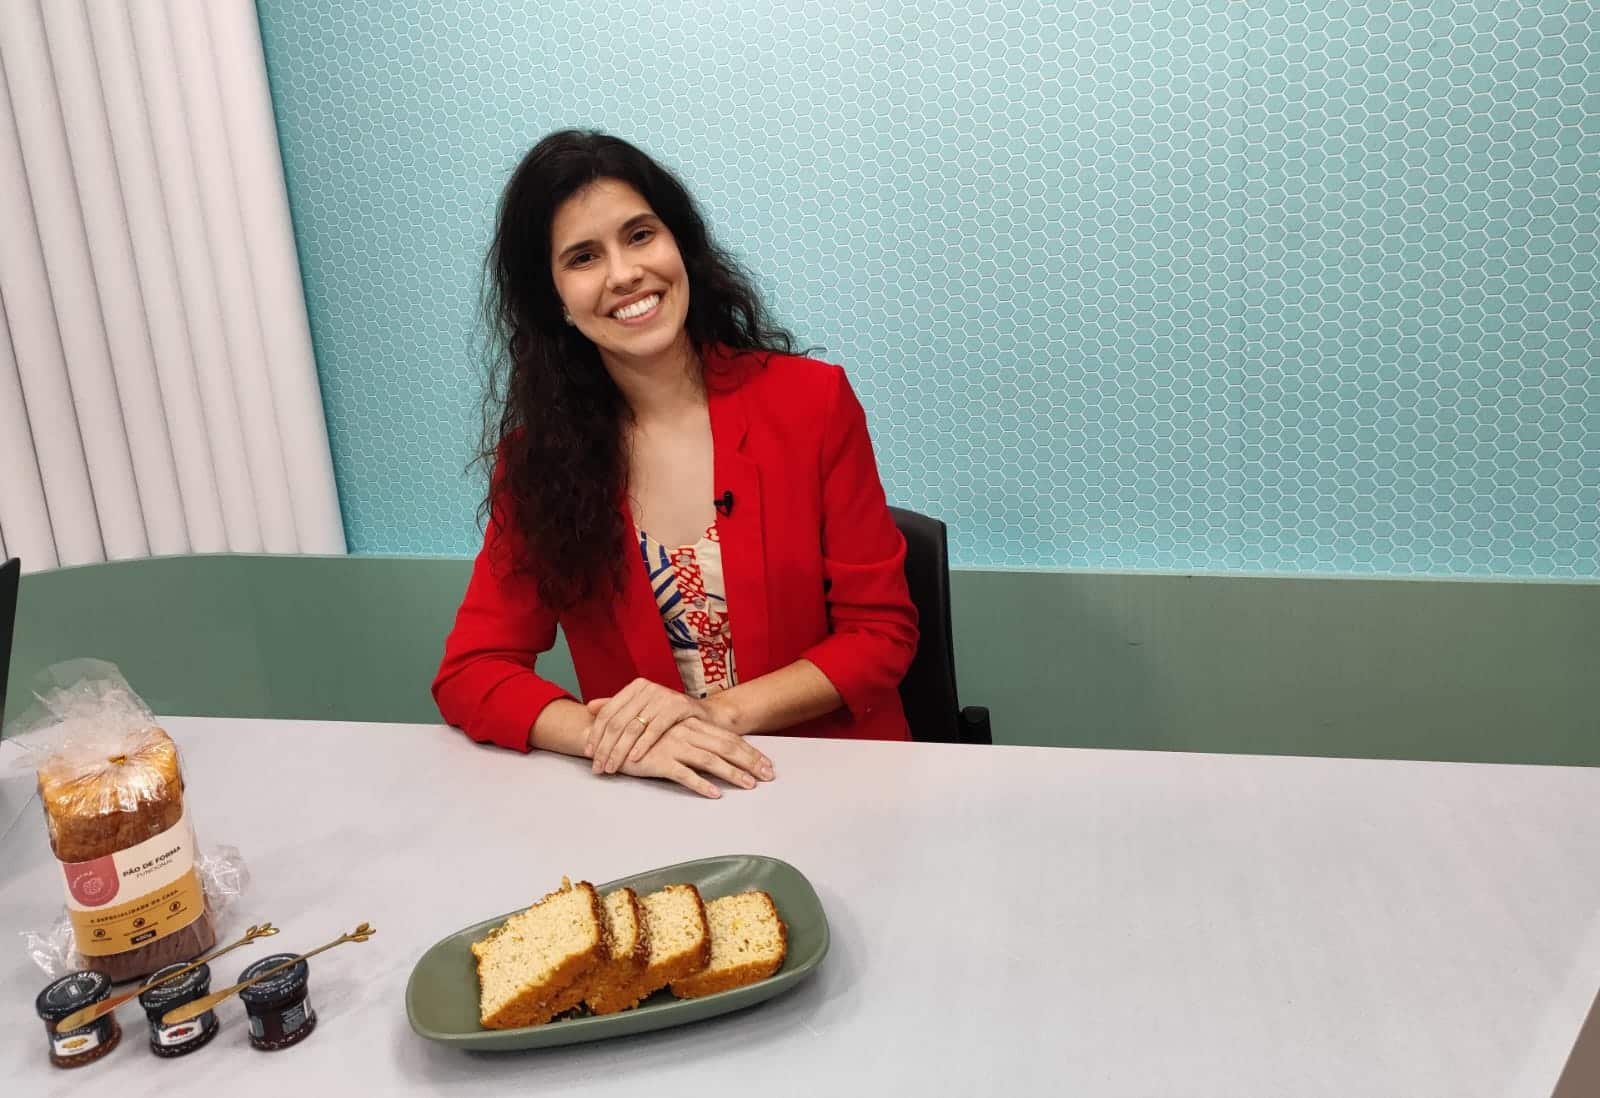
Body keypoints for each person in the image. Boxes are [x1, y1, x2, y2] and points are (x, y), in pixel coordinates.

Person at [433, 130, 918, 798]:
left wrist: (712, 714)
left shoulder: (812, 403)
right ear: (555, 302)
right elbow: (473, 672)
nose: (625, 273)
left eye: (639, 235)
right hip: (656, 799)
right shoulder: (535, 463)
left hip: (832, 780)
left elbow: (880, 636)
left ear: (679, 244)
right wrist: (607, 737)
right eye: (582, 257)